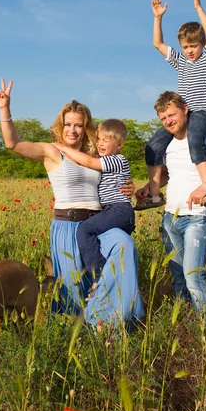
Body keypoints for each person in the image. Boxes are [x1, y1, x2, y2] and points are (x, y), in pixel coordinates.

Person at [0, 79, 145, 329]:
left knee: (125, 245)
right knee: (74, 290)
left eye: (78, 125)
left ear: (86, 128)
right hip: (68, 227)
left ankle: (121, 319)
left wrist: (130, 188)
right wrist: (4, 109)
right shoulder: (52, 151)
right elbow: (14, 144)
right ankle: (77, 336)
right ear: (60, 126)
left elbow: (116, 177)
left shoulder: (96, 155)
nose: (72, 130)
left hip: (99, 223)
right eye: (67, 125)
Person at [136, 91, 206, 320]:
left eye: (172, 115)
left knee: (194, 277)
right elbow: (168, 175)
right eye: (163, 118)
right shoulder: (168, 143)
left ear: (185, 109)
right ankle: (183, 322)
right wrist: (148, 187)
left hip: (198, 217)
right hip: (170, 218)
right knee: (179, 277)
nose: (168, 121)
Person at [138, 0, 206, 211]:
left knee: (195, 139)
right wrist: (157, 18)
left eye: (194, 46)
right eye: (185, 47)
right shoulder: (180, 62)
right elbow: (158, 44)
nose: (190, 50)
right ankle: (154, 195)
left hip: (201, 113)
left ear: (201, 44)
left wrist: (198, 8)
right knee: (153, 146)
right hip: (181, 114)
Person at [54, 118, 135, 299]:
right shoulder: (109, 159)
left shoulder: (117, 159)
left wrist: (63, 148)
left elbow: (90, 163)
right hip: (112, 210)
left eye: (106, 140)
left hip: (118, 210)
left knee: (85, 229)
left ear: (120, 144)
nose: (100, 143)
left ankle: (99, 275)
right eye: (99, 139)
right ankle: (96, 281)